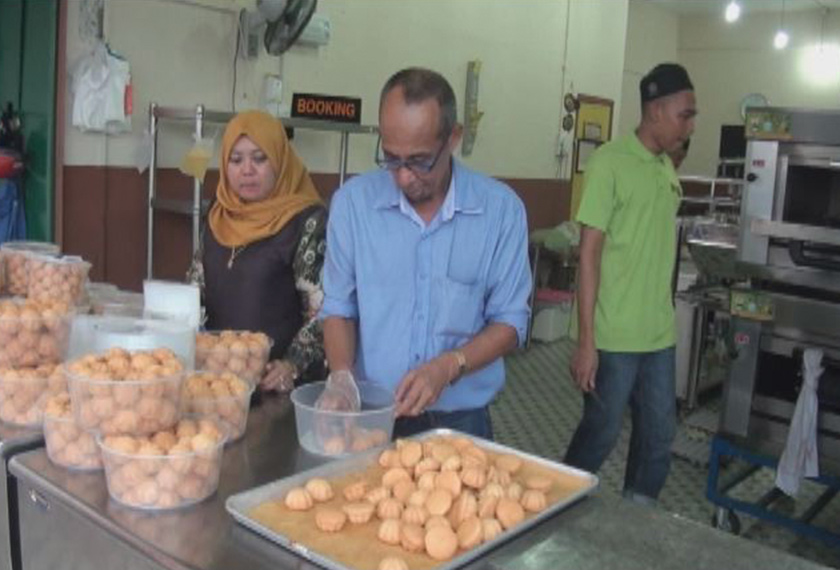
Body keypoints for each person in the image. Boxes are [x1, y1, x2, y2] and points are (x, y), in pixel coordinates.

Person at [320, 67, 532, 439]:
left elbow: (511, 322)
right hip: (372, 414)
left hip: (460, 422)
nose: (403, 177)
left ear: (453, 138)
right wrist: (341, 377)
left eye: (418, 161)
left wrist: (450, 366)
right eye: (390, 158)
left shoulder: (500, 213)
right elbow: (338, 306)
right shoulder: (352, 205)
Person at [564, 63, 697, 502]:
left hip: (658, 334)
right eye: (685, 114)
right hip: (613, 336)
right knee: (601, 433)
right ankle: (557, 501)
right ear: (656, 111)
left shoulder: (665, 168)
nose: (690, 124)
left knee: (658, 438)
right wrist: (586, 341)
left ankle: (636, 517)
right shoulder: (610, 163)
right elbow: (589, 253)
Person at [188, 110, 327, 393]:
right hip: (219, 382)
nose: (247, 170)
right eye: (236, 159)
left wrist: (291, 365)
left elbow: (324, 311)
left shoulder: (306, 221)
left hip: (277, 386)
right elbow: (195, 288)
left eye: (259, 158)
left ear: (278, 159)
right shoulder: (218, 214)